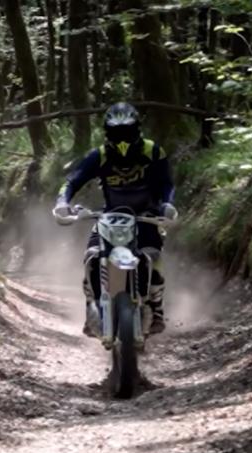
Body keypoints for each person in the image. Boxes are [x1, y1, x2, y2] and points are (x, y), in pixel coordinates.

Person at [53, 102, 177, 336]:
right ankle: (91, 307)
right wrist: (62, 202)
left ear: (137, 129)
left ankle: (156, 307)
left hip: (146, 216)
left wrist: (167, 204)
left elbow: (167, 183)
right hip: (110, 216)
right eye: (116, 132)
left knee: (154, 256)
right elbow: (72, 181)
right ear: (107, 132)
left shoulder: (154, 152)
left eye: (127, 131)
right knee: (91, 255)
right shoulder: (98, 156)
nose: (122, 138)